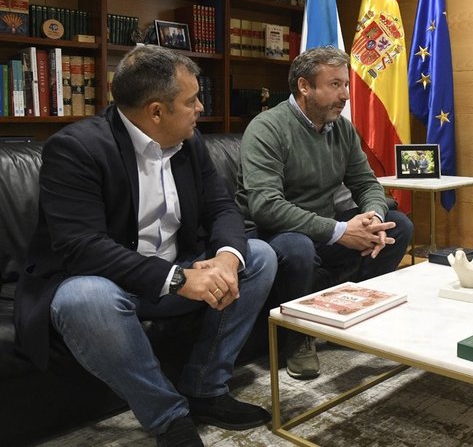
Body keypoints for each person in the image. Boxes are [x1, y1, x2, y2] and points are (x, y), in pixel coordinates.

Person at [14, 45, 278, 447]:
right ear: (156, 111)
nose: (200, 109)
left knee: (258, 256)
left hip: (179, 269)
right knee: (85, 297)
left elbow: (221, 207)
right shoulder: (76, 148)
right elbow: (83, 247)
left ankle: (206, 389)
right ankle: (169, 420)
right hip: (110, 283)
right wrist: (175, 279)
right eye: (191, 101)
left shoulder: (190, 142)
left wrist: (225, 258)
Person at [236, 46, 413, 380]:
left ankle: (355, 315)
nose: (345, 94)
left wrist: (372, 217)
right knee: (297, 246)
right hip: (273, 233)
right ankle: (299, 337)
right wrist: (340, 231)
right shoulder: (267, 128)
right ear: (305, 87)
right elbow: (266, 206)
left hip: (322, 228)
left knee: (397, 226)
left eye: (345, 85)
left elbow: (367, 185)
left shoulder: (342, 130)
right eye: (335, 85)